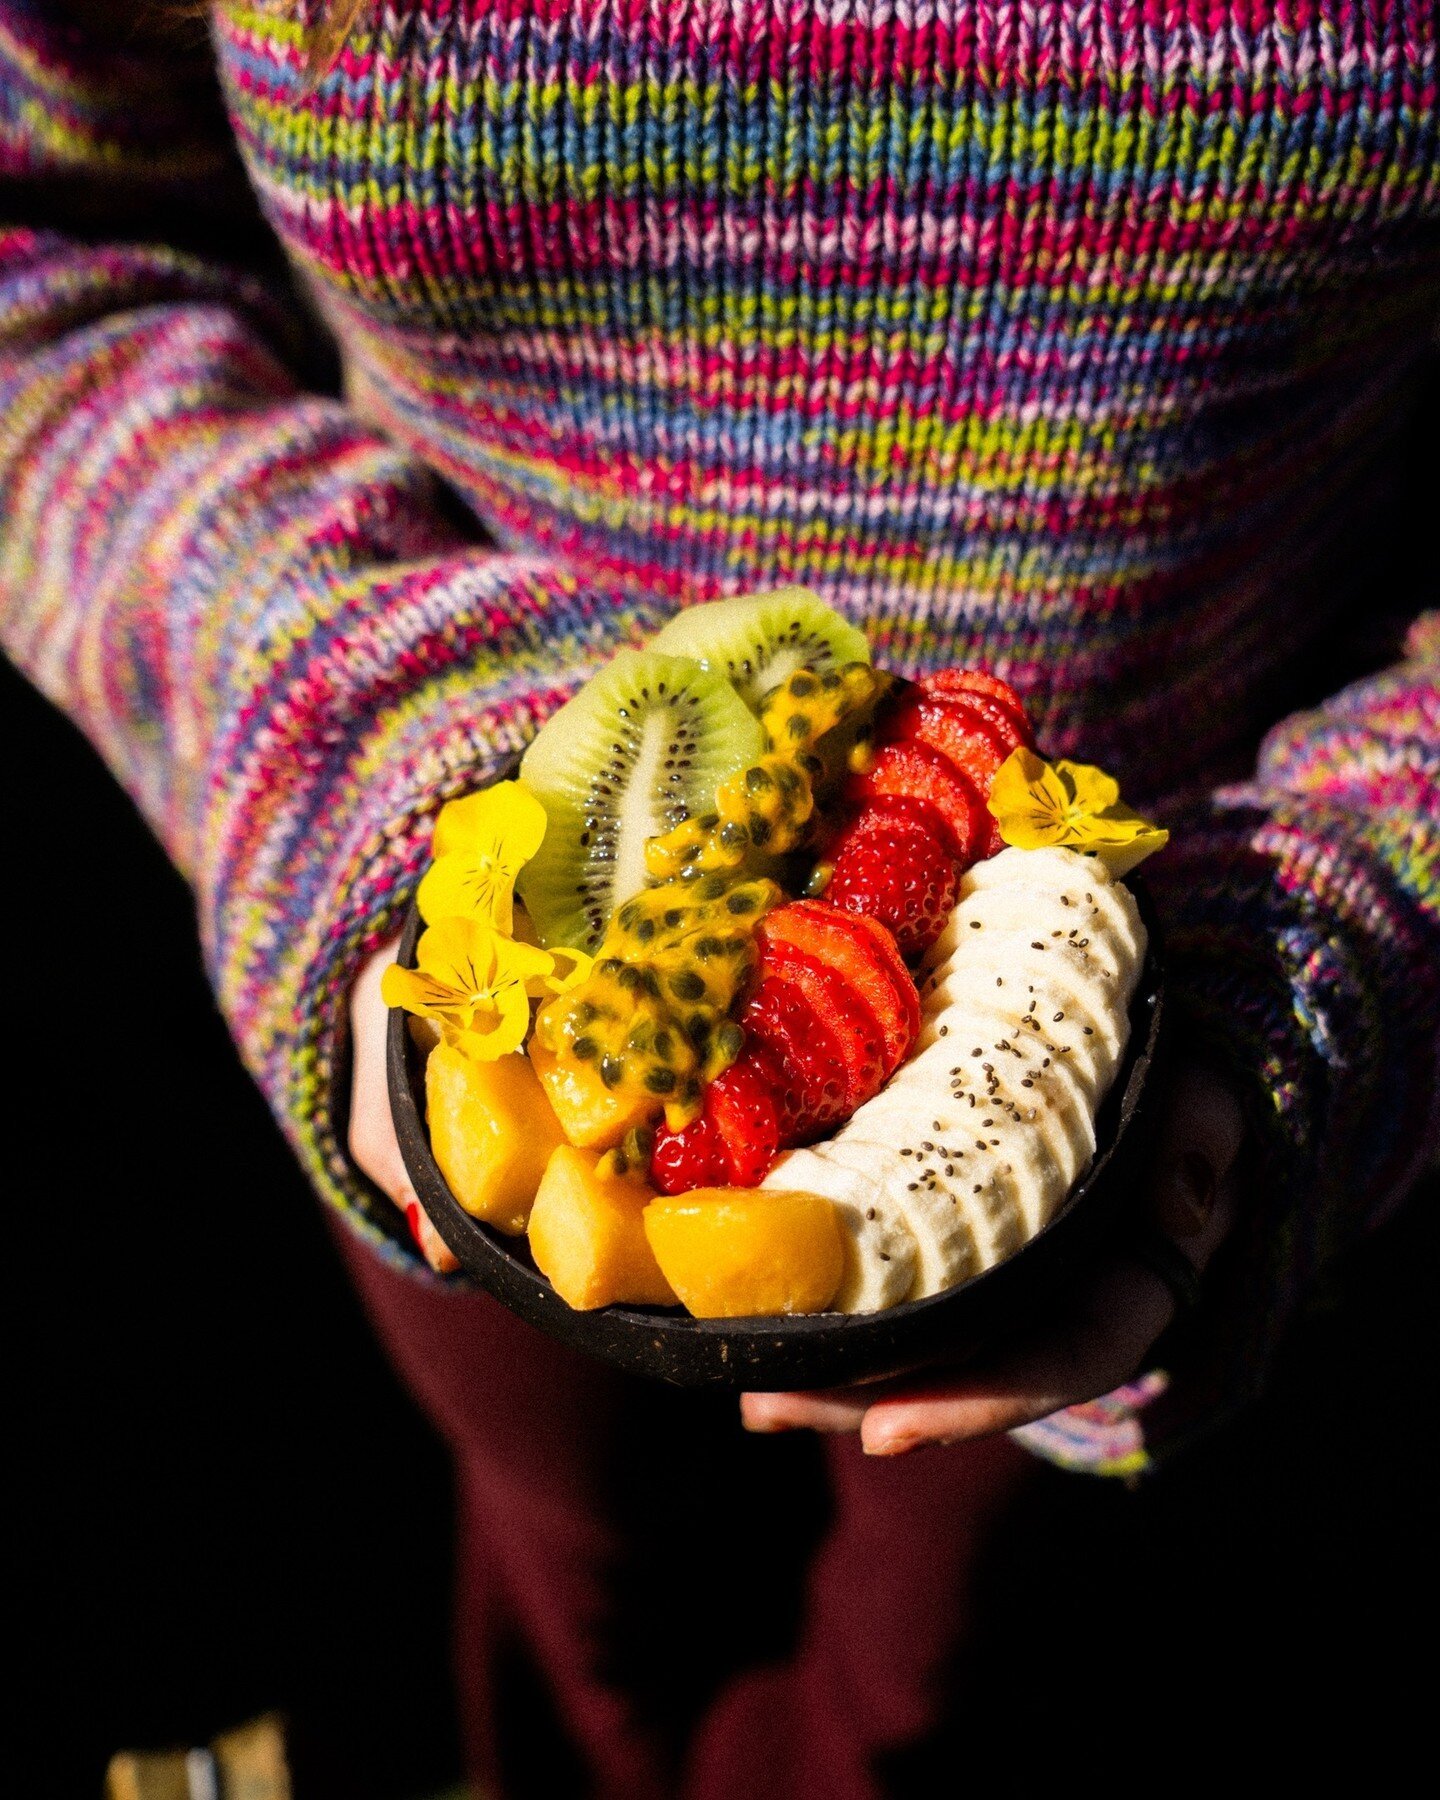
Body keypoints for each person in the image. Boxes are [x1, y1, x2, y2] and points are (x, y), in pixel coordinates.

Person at [2, 2, 1435, 1794]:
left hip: (1134, 1083)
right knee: (580, 1596)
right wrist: (351, 727)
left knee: (921, 1695)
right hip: (482, 1026)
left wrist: (1351, 904)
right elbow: (52, 254)